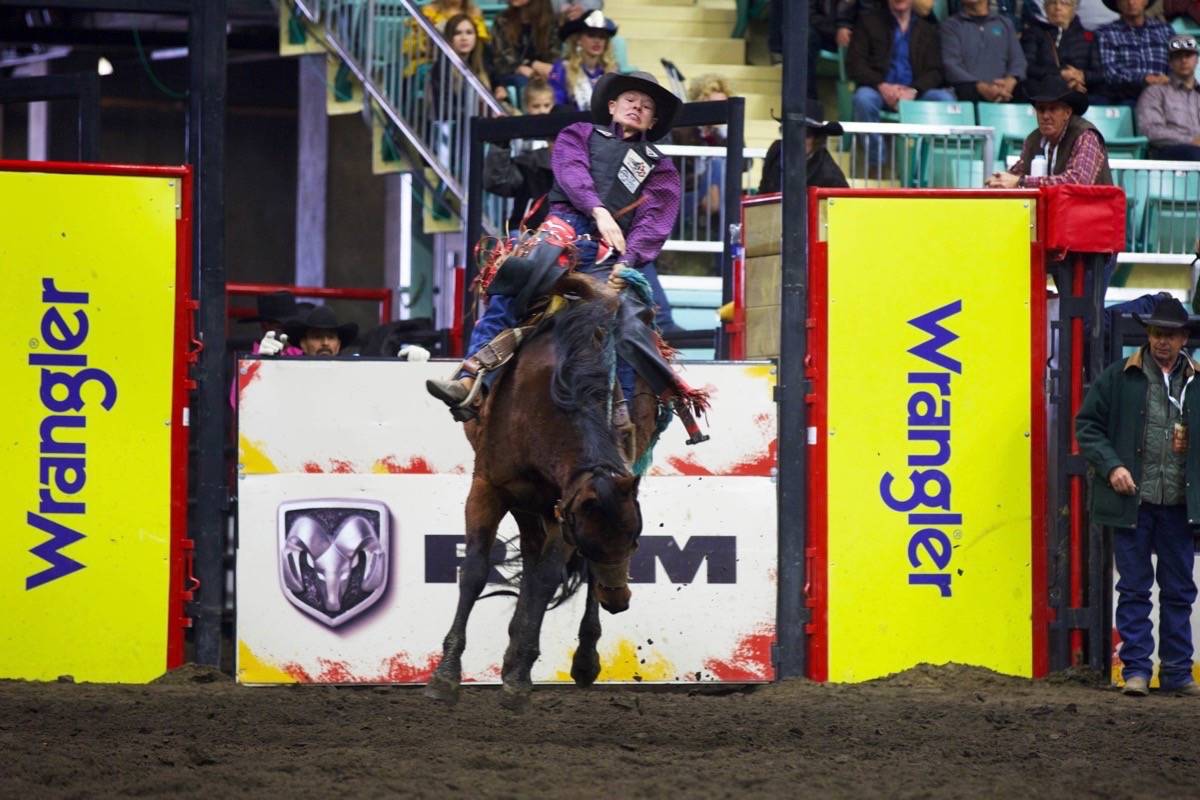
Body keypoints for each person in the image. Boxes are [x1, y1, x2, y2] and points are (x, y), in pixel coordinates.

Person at [426, 71, 690, 425]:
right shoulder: (577, 134)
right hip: (561, 232)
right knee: (514, 280)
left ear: (653, 120)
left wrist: (627, 263)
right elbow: (571, 171)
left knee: (631, 320)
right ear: (612, 106)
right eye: (630, 100)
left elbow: (654, 223)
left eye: (646, 106)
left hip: (613, 253)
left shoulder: (661, 169)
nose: (637, 107)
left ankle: (625, 413)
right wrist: (599, 212)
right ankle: (472, 380)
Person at [1075, 294, 1200, 697]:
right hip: (1136, 502)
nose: (1162, 341)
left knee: (1178, 590)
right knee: (1134, 588)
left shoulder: (1194, 383)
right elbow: (1088, 426)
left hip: (1179, 505)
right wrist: (1113, 467)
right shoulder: (1119, 376)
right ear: (1148, 334)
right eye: (1156, 333)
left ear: (1184, 339)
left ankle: (1177, 672)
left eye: (1170, 335)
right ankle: (1138, 671)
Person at [985, 73, 1113, 187]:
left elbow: (1079, 182)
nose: (1045, 116)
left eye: (1053, 109)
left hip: (1091, 212)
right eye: (1041, 109)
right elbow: (1017, 173)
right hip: (1057, 212)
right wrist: (1000, 180)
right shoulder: (1033, 140)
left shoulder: (1085, 135)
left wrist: (1021, 181)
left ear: (1067, 113)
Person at [848, 0, 954, 127]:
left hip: (915, 93)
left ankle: (926, 147)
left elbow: (936, 71)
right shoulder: (867, 23)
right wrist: (882, 86)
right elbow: (855, 63)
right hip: (878, 90)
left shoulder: (928, 29)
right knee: (863, 99)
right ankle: (876, 148)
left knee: (944, 99)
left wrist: (914, 90)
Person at [484, 78, 557, 232]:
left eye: (547, 105)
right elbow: (499, 180)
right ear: (526, 107)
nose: (542, 111)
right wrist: (501, 142)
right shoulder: (519, 137)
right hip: (525, 224)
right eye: (536, 106)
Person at [1023, 0, 1108, 104]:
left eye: (1064, 3)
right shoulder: (1034, 33)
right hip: (1045, 92)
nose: (1058, 7)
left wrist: (1081, 76)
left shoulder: (1088, 37)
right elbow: (1028, 68)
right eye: (1052, 3)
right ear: (1045, 8)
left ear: (1074, 9)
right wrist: (1061, 73)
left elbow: (1100, 73)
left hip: (1083, 90)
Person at [941, 0, 1027, 102]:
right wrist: (981, 87)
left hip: (1006, 94)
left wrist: (1009, 82)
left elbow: (1018, 61)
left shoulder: (1005, 24)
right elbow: (951, 65)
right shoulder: (950, 26)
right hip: (965, 94)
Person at [758, 102, 850, 193]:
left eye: (805, 134)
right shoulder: (776, 151)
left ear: (817, 139)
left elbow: (844, 205)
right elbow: (762, 193)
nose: (795, 139)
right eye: (790, 131)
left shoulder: (830, 175)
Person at [1096, 0, 1174, 104]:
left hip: (1164, 95)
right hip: (1125, 99)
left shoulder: (1165, 30)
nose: (1131, 2)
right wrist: (1144, 79)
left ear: (1146, 1)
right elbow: (1110, 73)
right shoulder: (1106, 33)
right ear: (1117, 4)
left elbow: (1178, 61)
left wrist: (1169, 79)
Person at [1135, 34, 1200, 159]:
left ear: (1197, 60)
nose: (1184, 60)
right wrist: (1191, 140)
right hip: (1167, 151)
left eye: (1188, 55)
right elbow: (1150, 130)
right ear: (1170, 62)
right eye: (1178, 56)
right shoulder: (1154, 92)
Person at [489, 0, 560, 105]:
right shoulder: (502, 20)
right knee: (523, 82)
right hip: (511, 72)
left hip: (542, 72)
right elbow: (502, 58)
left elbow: (554, 54)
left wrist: (537, 68)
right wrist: (525, 67)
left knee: (557, 78)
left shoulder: (550, 21)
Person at [547, 10, 619, 112]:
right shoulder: (562, 68)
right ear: (578, 39)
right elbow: (557, 106)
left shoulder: (612, 71)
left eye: (602, 37)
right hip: (571, 124)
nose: (597, 41)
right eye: (591, 35)